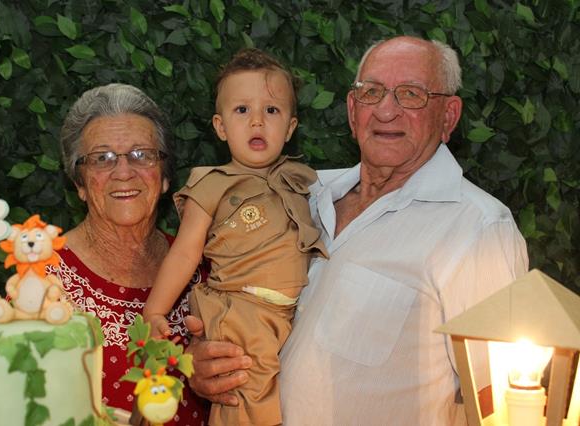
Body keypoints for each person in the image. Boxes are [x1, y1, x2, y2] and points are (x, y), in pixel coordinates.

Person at [185, 36, 529, 425]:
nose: (386, 110)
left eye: (411, 94)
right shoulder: (300, 195)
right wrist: (205, 363)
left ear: (448, 116)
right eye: (372, 92)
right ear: (352, 110)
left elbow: (504, 401)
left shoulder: (478, 230)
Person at [143, 49, 326, 426]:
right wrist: (155, 311)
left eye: (271, 110)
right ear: (221, 126)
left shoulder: (300, 181)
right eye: (242, 110)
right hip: (243, 312)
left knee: (294, 400)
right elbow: (185, 253)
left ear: (290, 128)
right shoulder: (212, 185)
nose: (257, 120)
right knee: (245, 402)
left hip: (290, 316)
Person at [54, 83, 208, 425]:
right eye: (102, 158)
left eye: (142, 154)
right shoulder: (42, 278)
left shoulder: (203, 270)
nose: (123, 172)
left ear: (164, 177)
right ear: (79, 183)